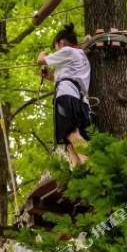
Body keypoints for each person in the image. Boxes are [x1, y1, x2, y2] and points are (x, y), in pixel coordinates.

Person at [37, 23, 91, 166]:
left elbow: (40, 61)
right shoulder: (81, 56)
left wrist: (42, 54)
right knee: (69, 142)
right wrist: (50, 76)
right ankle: (80, 172)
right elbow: (67, 75)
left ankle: (92, 167)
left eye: (55, 48)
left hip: (67, 96)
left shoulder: (67, 50)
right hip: (80, 101)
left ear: (60, 43)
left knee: (71, 134)